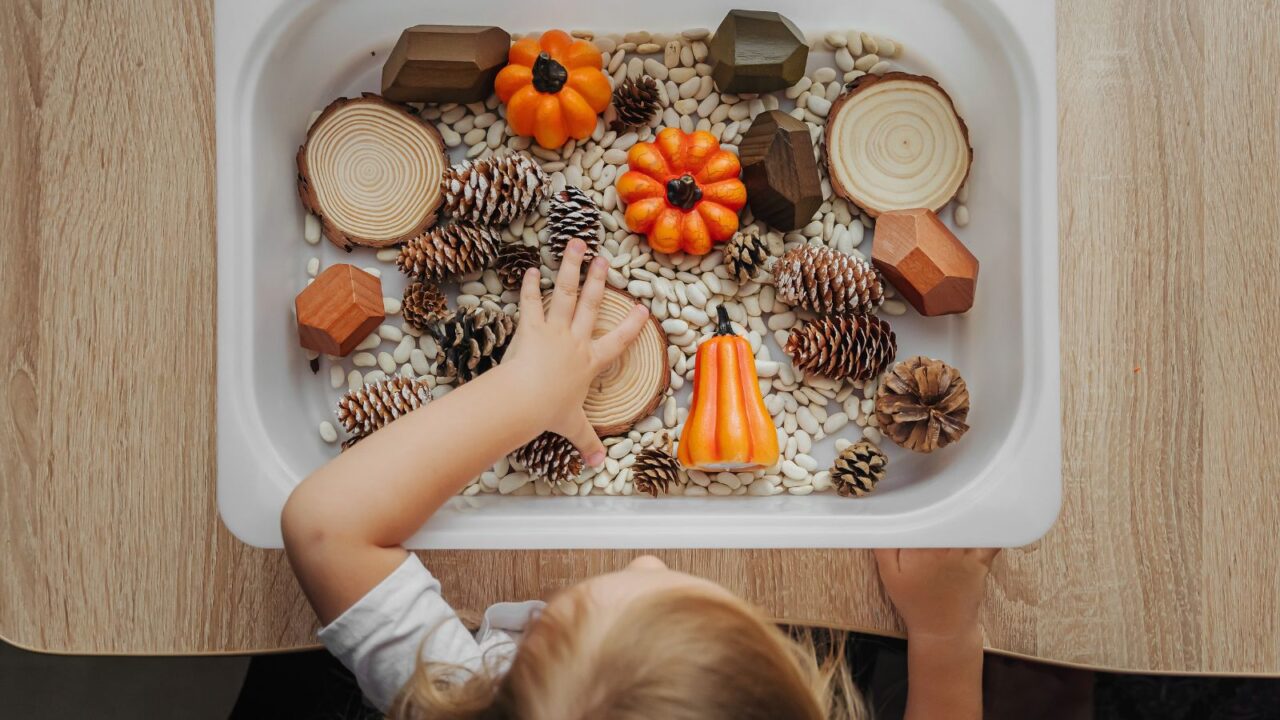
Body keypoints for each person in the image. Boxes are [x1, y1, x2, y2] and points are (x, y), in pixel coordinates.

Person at [283, 238, 999, 720]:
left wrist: (524, 393)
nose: (649, 555)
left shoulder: (449, 686)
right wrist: (943, 640)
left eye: (559, 613)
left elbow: (325, 527)